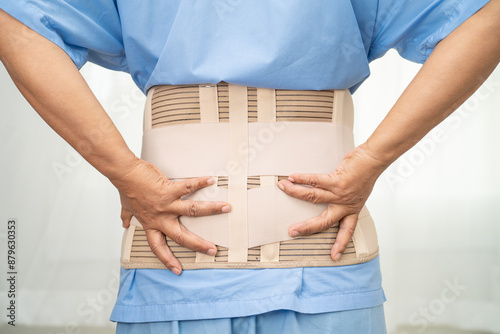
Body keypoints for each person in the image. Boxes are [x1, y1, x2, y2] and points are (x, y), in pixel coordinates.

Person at [1, 0, 499, 333]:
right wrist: (124, 173)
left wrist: (126, 172)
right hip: (196, 271)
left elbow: (17, 24)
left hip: (305, 271)